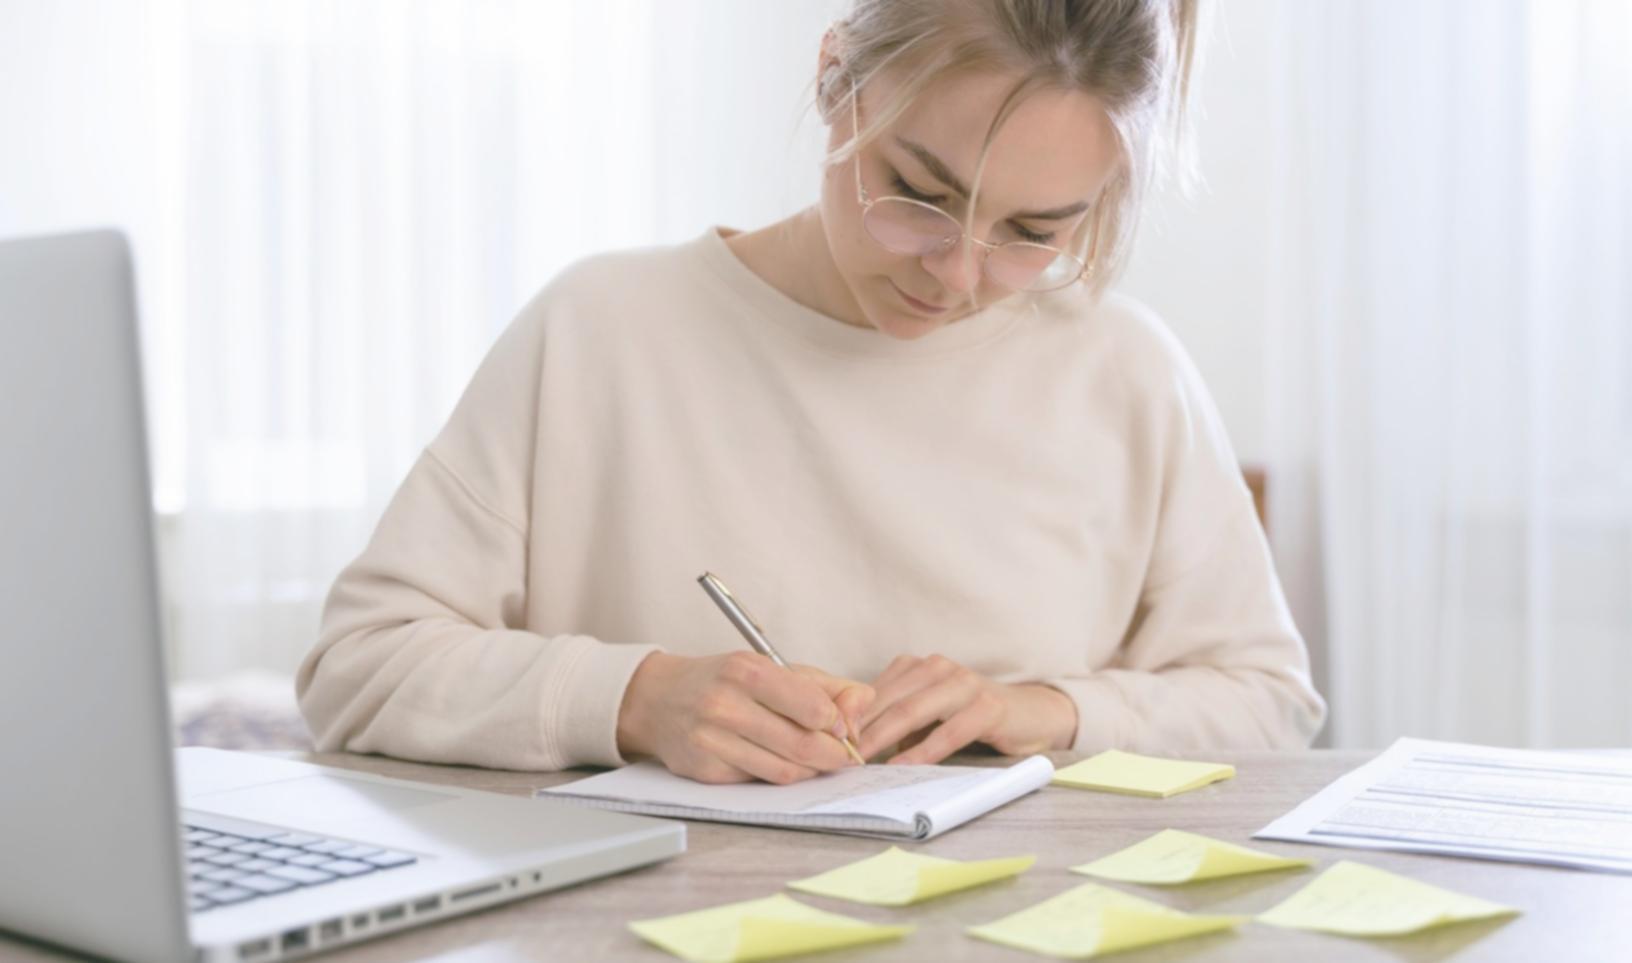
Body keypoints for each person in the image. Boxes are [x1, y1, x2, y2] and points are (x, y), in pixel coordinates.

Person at [297, 0, 1326, 786]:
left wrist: (1045, 711)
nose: (956, 277)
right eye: (919, 195)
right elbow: (359, 665)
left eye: (1033, 232)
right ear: (837, 82)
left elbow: (1269, 705)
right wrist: (635, 700)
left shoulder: (1127, 374)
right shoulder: (600, 330)